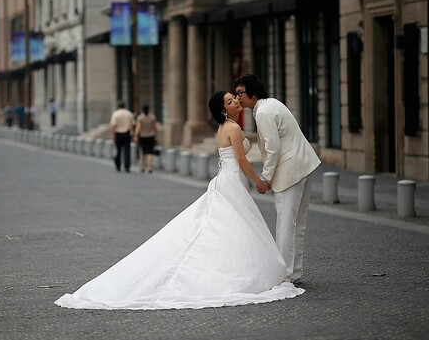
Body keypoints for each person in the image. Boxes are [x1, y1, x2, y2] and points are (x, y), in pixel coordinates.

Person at [54, 91, 304, 310]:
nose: (236, 102)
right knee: (233, 226)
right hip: (232, 179)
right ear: (222, 109)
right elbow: (241, 160)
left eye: (235, 98)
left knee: (228, 226)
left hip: (225, 179)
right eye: (230, 101)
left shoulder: (222, 128)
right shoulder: (234, 128)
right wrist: (260, 181)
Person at [233, 74, 321, 284]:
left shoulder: (263, 112)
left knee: (286, 224)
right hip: (304, 163)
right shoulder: (271, 104)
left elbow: (273, 149)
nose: (238, 98)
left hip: (291, 170)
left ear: (253, 93)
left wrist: (265, 177)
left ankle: (285, 274)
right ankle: (293, 272)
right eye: (236, 93)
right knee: (297, 223)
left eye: (240, 93)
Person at [109, 101, 135, 173]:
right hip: (127, 134)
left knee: (118, 150)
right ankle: (127, 166)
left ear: (118, 106)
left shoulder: (115, 114)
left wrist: (113, 135)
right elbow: (133, 125)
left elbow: (113, 126)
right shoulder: (129, 114)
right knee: (127, 151)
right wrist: (132, 134)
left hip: (118, 134)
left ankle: (118, 165)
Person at [133, 104, 158, 173]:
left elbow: (138, 128)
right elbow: (155, 127)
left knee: (142, 152)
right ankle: (150, 167)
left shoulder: (140, 117)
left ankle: (143, 166)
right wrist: (156, 135)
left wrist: (135, 136)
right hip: (151, 135)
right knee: (150, 152)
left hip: (142, 136)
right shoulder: (152, 117)